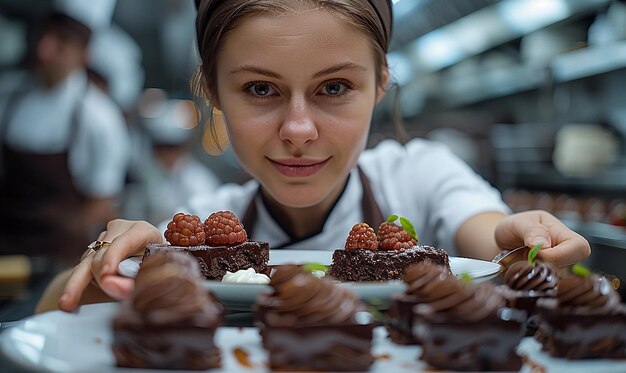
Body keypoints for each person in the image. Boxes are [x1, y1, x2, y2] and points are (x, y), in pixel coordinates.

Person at [39, 0, 590, 313]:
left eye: (333, 88)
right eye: (260, 89)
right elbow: (49, 312)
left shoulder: (419, 176)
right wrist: (103, 264)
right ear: (212, 92)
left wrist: (518, 239)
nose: (298, 130)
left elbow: (485, 235)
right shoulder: (202, 224)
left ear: (380, 84)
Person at [0, 0, 130, 262]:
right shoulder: (7, 95)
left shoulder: (99, 119)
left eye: (61, 43)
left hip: (57, 261)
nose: (44, 51)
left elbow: (102, 203)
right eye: (44, 36)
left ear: (84, 54)